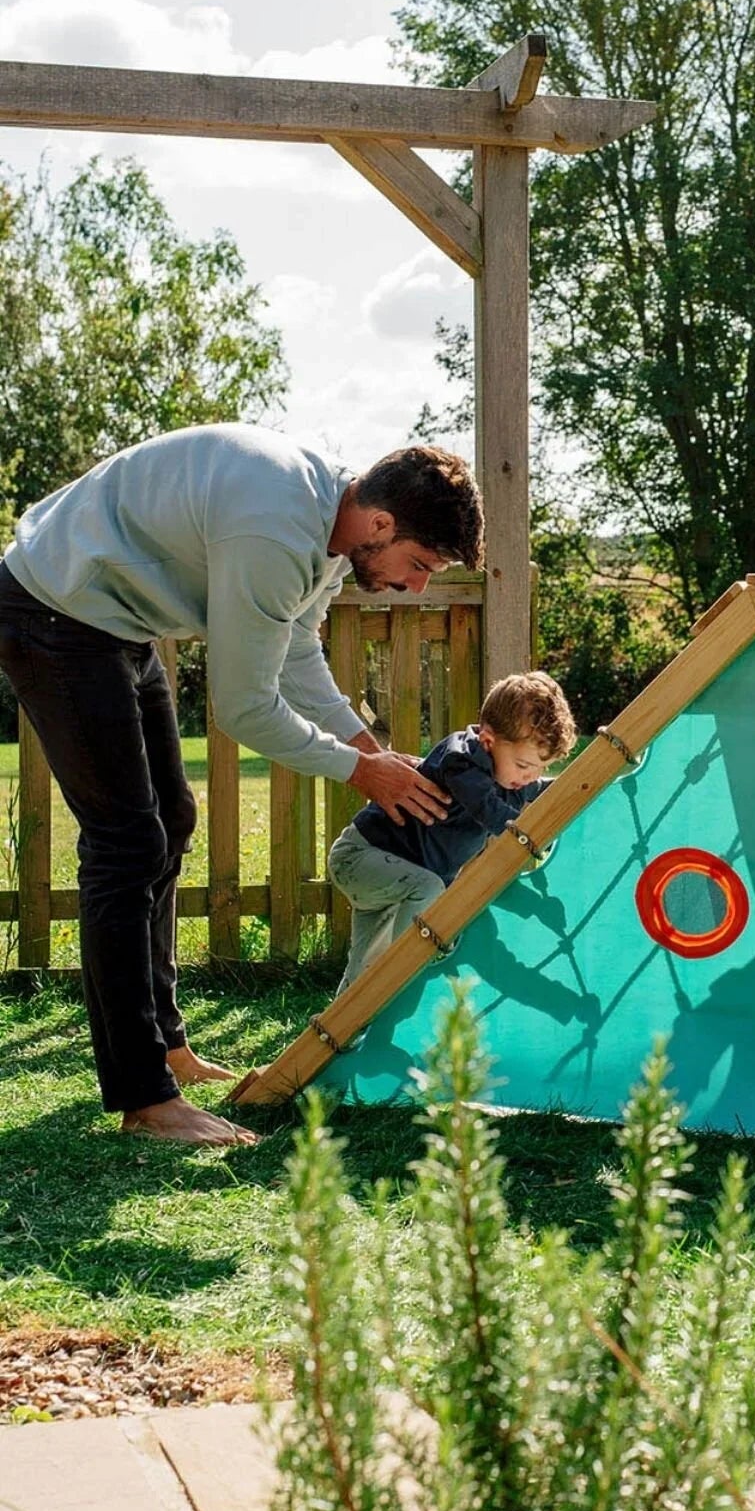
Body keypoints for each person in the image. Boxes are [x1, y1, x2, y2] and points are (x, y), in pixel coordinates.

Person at [0, 422, 484, 1147]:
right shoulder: (275, 529)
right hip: (54, 610)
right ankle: (145, 1099)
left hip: (116, 622)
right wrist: (360, 770)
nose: (416, 586)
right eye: (419, 564)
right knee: (127, 843)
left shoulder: (330, 527)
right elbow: (245, 707)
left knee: (171, 820)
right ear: (380, 524)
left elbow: (295, 655)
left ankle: (168, 1049)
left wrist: (370, 752)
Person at [328, 671, 576, 994]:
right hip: (360, 858)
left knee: (364, 970)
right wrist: (529, 834)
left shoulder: (507, 777)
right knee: (430, 889)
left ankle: (345, 1016)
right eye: (524, 766)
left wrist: (581, 784)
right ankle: (406, 972)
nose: (530, 777)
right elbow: (489, 810)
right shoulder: (460, 760)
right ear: (488, 741)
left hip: (399, 880)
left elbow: (542, 791)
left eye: (540, 769)